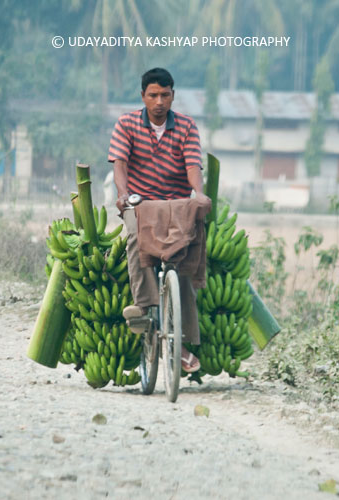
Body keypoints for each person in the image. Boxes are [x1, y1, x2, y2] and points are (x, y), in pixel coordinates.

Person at [107, 67, 210, 373]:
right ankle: (142, 306)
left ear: (173, 96)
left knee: (186, 253)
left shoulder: (187, 127)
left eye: (165, 95)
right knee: (136, 236)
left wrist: (199, 194)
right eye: (153, 95)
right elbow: (120, 165)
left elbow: (193, 166)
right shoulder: (126, 124)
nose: (159, 101)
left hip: (176, 204)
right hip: (139, 203)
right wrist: (124, 193)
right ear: (143, 96)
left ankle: (181, 339)